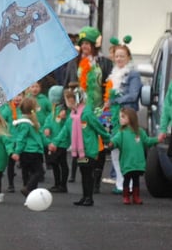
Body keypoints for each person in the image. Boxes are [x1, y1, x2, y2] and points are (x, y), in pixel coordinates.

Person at [62, 26, 113, 193]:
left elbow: (109, 82)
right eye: (82, 43)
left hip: (100, 107)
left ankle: (96, 179)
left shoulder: (103, 62)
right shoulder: (74, 62)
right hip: (80, 108)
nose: (85, 46)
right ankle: (80, 174)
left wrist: (109, 101)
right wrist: (65, 106)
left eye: (88, 43)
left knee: (99, 145)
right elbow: (67, 85)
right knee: (82, 140)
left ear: (94, 45)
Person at [50, 87, 111, 207]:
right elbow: (65, 131)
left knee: (88, 173)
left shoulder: (87, 113)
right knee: (83, 172)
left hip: (89, 149)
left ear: (75, 100)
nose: (67, 103)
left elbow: (98, 127)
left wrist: (107, 139)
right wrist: (55, 142)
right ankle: (85, 196)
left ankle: (89, 197)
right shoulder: (73, 115)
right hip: (79, 150)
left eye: (68, 100)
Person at [104, 37, 142, 194]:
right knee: (115, 150)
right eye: (117, 56)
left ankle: (131, 185)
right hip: (115, 116)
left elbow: (133, 95)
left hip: (127, 116)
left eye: (122, 56)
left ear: (129, 58)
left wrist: (115, 100)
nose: (119, 58)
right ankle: (120, 183)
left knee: (128, 150)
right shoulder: (114, 73)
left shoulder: (133, 74)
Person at [108, 107, 159, 205]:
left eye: (123, 117)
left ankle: (136, 196)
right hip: (127, 162)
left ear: (130, 118)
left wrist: (157, 139)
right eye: (120, 117)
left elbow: (147, 141)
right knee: (126, 179)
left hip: (137, 162)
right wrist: (111, 144)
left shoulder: (139, 131)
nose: (120, 119)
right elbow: (115, 141)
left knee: (136, 180)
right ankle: (126, 196)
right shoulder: (121, 132)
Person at [11, 97, 47, 196]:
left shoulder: (25, 121)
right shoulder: (26, 123)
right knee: (38, 172)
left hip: (26, 152)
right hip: (33, 151)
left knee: (26, 173)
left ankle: (29, 193)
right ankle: (28, 188)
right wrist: (17, 152)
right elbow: (21, 138)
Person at [43, 85, 69, 193]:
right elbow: (48, 120)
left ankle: (63, 185)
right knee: (54, 163)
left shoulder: (64, 111)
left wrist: (64, 116)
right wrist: (46, 128)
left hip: (61, 142)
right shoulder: (54, 109)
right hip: (53, 140)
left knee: (62, 162)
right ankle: (57, 183)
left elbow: (65, 126)